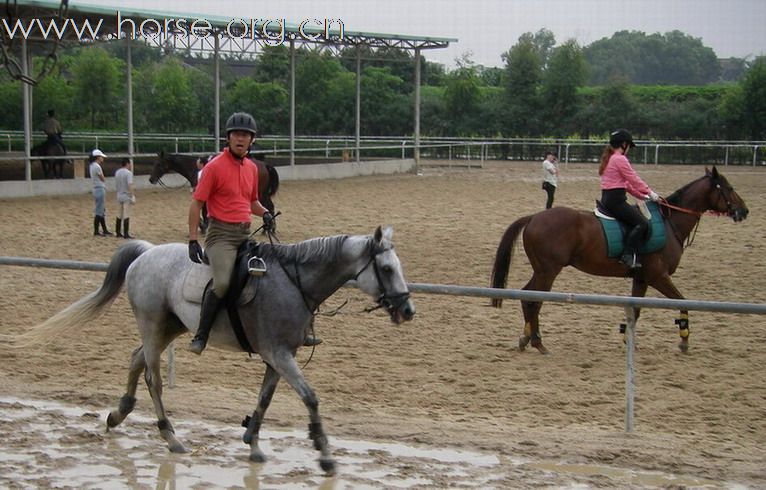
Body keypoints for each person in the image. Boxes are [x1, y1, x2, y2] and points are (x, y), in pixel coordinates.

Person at [186, 112, 276, 355]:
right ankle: (201, 334)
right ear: (228, 137)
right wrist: (193, 239)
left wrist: (265, 213)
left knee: (272, 273)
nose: (240, 138)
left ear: (252, 140)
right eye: (236, 134)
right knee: (223, 283)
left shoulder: (251, 169)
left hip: (244, 234)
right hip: (220, 236)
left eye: (245, 135)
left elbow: (253, 201)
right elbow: (196, 203)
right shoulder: (214, 167)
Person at [599, 129, 660, 270]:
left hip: (608, 198)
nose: (629, 150)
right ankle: (627, 255)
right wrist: (650, 192)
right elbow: (633, 178)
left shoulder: (610, 158)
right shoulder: (620, 159)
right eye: (629, 147)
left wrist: (642, 196)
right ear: (624, 144)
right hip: (616, 201)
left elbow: (626, 184)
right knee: (642, 223)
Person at [89, 149, 113, 237]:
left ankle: (104, 229)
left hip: (96, 188)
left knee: (101, 210)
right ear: (98, 157)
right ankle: (96, 231)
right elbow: (102, 178)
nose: (102, 158)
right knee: (99, 210)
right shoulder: (97, 167)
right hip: (99, 188)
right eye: (101, 157)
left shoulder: (92, 166)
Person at [114, 158, 136, 239]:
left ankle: (118, 232)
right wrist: (132, 195)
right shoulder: (128, 173)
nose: (130, 165)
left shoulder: (117, 172)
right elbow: (130, 185)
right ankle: (126, 233)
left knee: (119, 214)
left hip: (119, 195)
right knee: (126, 214)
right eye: (129, 164)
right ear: (127, 164)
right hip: (126, 195)